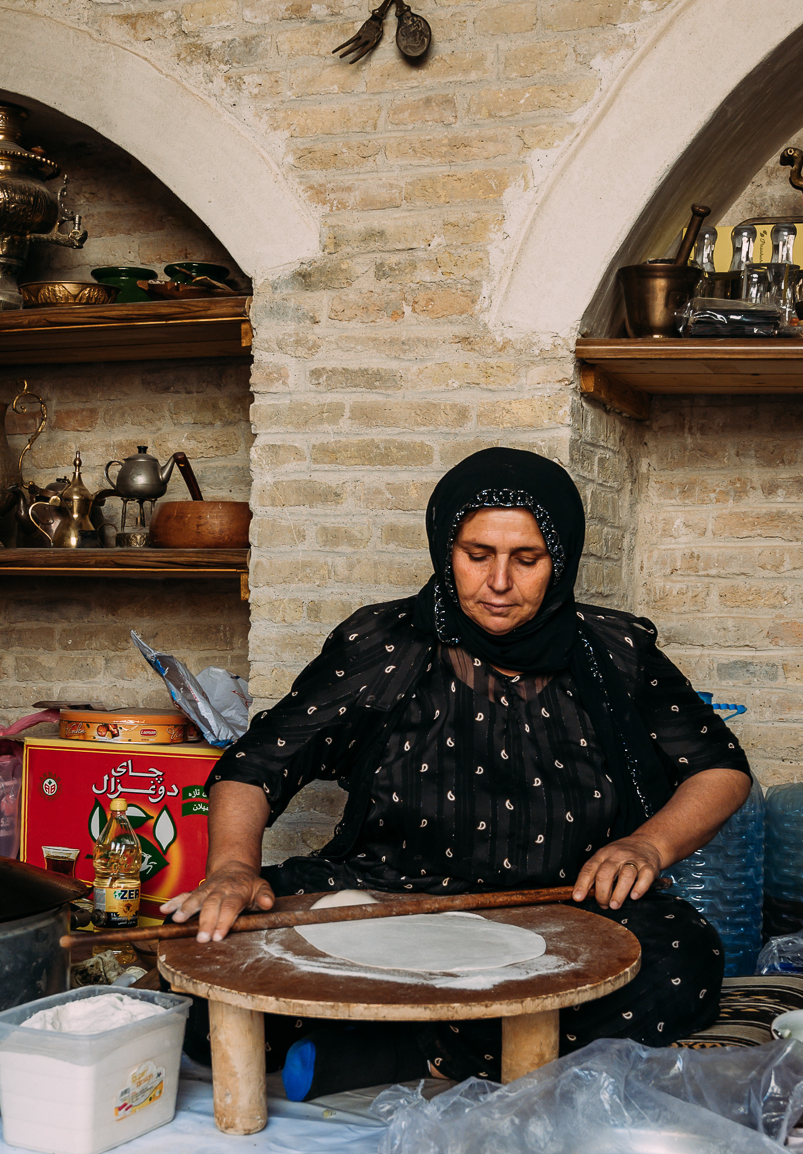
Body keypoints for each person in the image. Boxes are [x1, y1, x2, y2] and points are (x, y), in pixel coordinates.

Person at [164, 447, 752, 1099]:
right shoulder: (383, 645)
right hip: (385, 898)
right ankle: (471, 1042)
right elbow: (256, 764)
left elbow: (718, 768)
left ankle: (411, 1048)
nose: (499, 581)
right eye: (477, 555)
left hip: (564, 911)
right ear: (446, 550)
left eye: (526, 559)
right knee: (198, 959)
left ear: (561, 560)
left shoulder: (615, 653)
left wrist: (648, 843)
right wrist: (232, 868)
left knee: (682, 962)